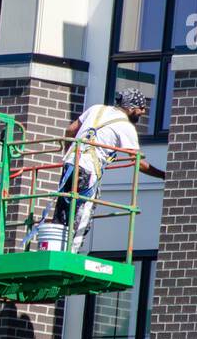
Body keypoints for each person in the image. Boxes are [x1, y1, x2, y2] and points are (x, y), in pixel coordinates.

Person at [45, 88, 165, 252]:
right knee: (83, 212)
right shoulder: (125, 126)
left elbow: (70, 130)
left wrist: (68, 153)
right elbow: (138, 162)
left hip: (70, 165)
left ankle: (54, 248)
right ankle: (71, 253)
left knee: (63, 209)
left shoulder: (96, 109)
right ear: (130, 108)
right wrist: (164, 176)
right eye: (141, 108)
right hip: (88, 170)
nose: (143, 112)